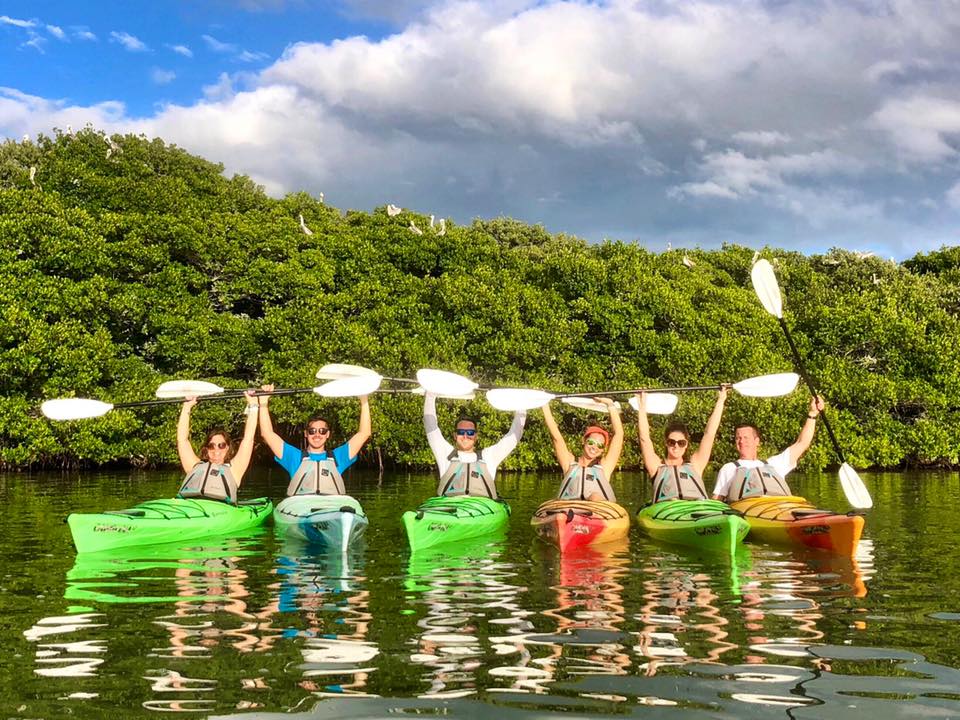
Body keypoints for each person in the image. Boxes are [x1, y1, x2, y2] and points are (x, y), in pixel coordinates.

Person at [258, 384, 371, 496]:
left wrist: (364, 400)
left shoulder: (338, 457)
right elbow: (267, 434)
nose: (317, 434)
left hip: (330, 508)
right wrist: (263, 403)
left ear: (327, 434)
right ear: (306, 434)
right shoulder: (294, 456)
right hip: (303, 507)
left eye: (322, 431)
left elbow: (364, 433)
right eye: (312, 431)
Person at [712, 396, 825, 502]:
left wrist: (812, 414)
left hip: (777, 509)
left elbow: (802, 443)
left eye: (746, 438)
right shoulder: (729, 468)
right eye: (738, 438)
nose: (741, 441)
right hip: (746, 511)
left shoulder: (774, 464)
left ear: (757, 442)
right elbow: (716, 501)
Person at [423, 393, 526, 498]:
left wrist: (521, 407)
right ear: (455, 435)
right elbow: (430, 424)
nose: (465, 436)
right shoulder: (445, 454)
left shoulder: (489, 457)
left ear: (476, 436)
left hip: (481, 509)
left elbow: (514, 435)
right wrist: (430, 395)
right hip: (451, 508)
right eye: (461, 432)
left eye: (470, 433)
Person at [636, 387, 728, 503]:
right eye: (671, 442)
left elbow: (709, 434)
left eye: (681, 443)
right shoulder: (656, 467)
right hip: (668, 510)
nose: (676, 446)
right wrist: (642, 405)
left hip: (697, 508)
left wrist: (721, 399)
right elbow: (644, 438)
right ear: (666, 443)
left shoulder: (695, 465)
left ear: (686, 445)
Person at [177, 391, 259, 504]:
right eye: (211, 446)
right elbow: (182, 440)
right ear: (206, 449)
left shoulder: (235, 469)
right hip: (191, 508)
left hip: (220, 513)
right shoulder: (194, 467)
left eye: (221, 446)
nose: (216, 451)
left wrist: (253, 405)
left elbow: (248, 438)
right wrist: (187, 406)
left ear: (227, 448)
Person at [540, 398, 624, 501]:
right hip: (571, 509)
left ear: (602, 450)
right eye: (591, 442)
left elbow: (619, 435)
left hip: (598, 509)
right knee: (560, 517)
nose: (594, 447)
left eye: (600, 445)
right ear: (583, 441)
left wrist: (610, 404)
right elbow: (556, 437)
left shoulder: (605, 466)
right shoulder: (569, 462)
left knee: (595, 497)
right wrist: (544, 403)